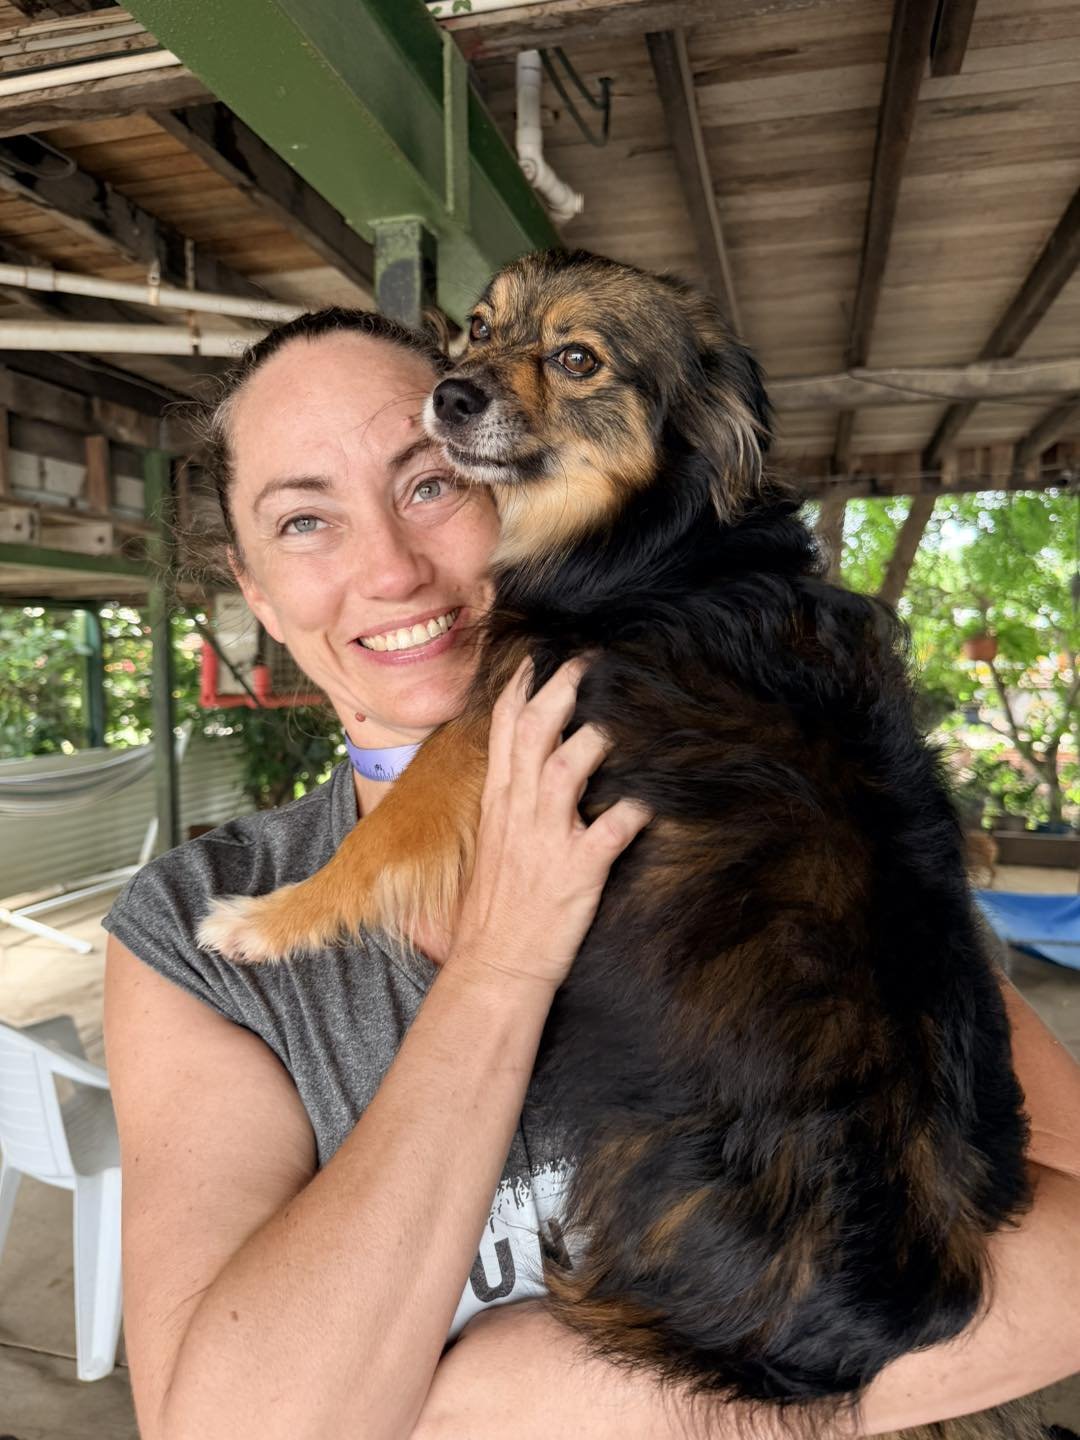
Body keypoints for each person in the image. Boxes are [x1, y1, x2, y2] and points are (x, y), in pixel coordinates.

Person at [104, 308, 1080, 1440]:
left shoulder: (780, 806)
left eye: (429, 485)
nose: (390, 569)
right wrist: (504, 963)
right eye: (305, 521)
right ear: (257, 591)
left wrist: (484, 1401)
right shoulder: (195, 932)